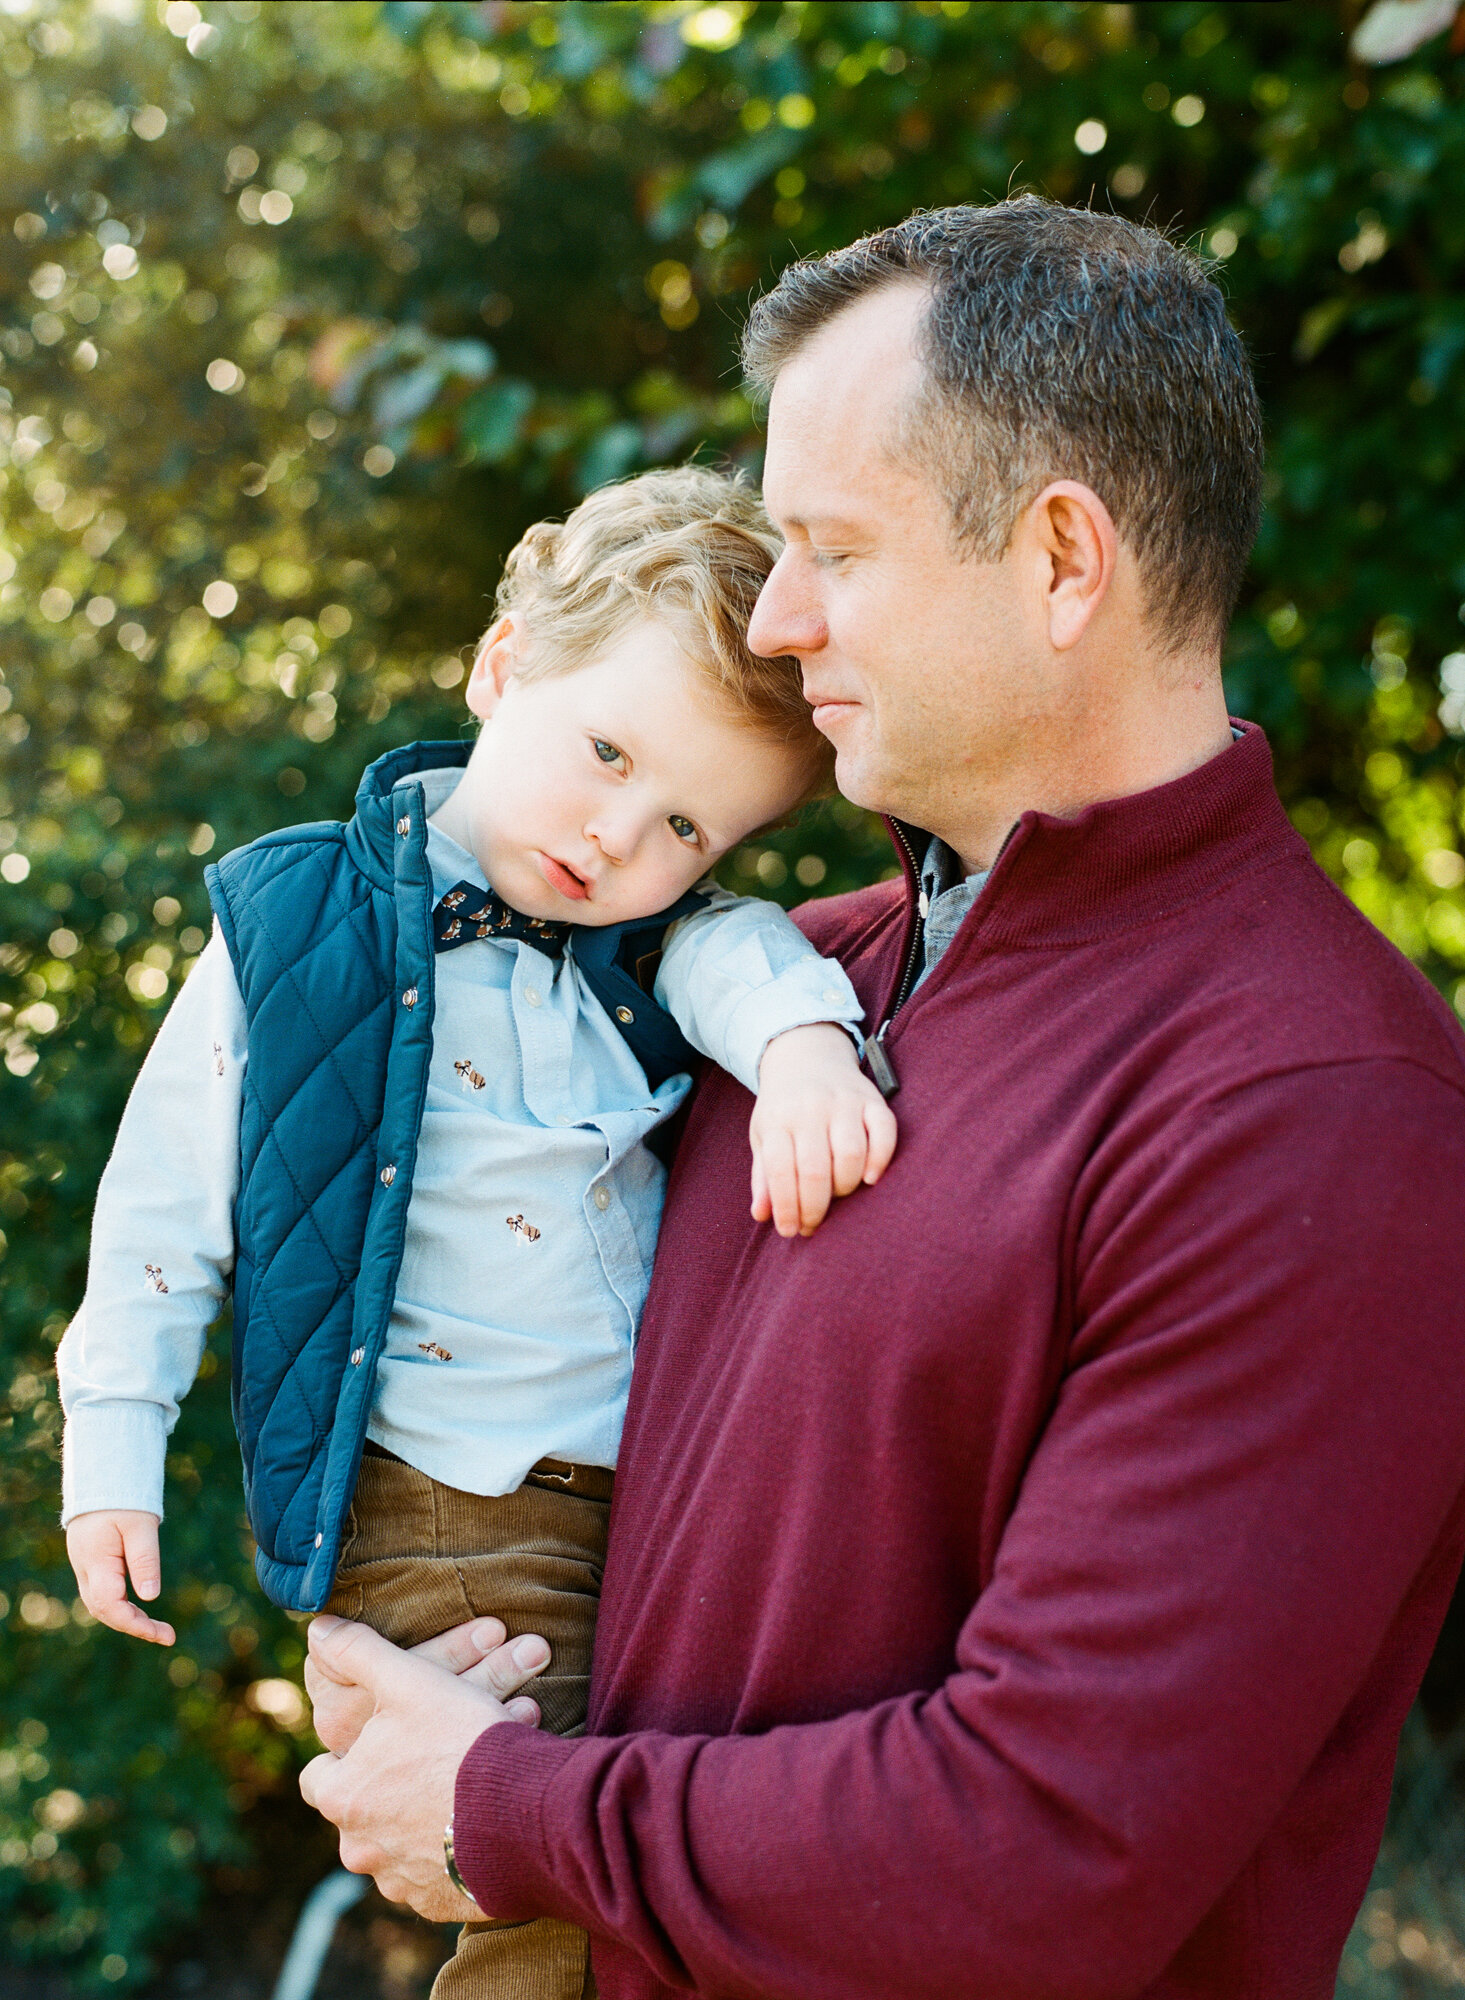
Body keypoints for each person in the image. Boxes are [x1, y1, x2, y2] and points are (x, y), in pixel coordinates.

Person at [301, 198, 1465, 1999]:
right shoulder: (773, 981)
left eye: (830, 548)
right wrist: (432, 1631)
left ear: (1062, 559)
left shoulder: (1316, 1113)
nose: (773, 624)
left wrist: (517, 1812)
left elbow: (1047, 1852)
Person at [57, 467, 899, 2000]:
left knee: (641, 1846)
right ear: (504, 665)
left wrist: (801, 1053)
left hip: (642, 1499)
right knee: (539, 1880)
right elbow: (162, 1207)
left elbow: (740, 957)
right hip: (448, 1498)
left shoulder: (650, 945)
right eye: (604, 752)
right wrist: (113, 1438)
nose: (619, 833)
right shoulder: (296, 928)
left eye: (685, 824)